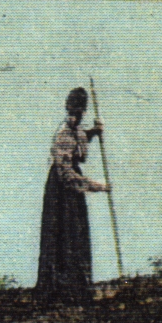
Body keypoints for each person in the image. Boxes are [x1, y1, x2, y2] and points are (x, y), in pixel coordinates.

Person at [36, 87, 108, 302]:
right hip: (60, 190)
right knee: (62, 236)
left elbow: (82, 139)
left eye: (79, 113)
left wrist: (94, 132)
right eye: (72, 113)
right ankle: (58, 291)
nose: (75, 117)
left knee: (76, 235)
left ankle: (78, 289)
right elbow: (66, 174)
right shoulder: (63, 135)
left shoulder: (77, 131)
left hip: (73, 193)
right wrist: (97, 186)